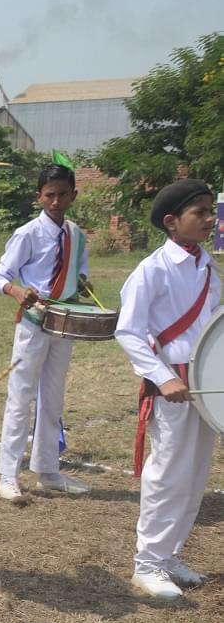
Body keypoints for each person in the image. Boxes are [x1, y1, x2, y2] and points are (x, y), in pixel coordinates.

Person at [115, 178, 219, 599]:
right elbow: (128, 331)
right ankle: (148, 564)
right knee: (168, 475)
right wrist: (163, 377)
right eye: (200, 213)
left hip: (206, 384)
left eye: (211, 211)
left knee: (195, 473)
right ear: (172, 221)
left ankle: (171, 555)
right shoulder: (152, 269)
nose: (210, 219)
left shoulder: (207, 266)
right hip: (171, 385)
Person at [0, 164, 94, 502]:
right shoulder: (27, 234)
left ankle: (48, 470)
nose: (56, 201)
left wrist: (82, 284)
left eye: (63, 194)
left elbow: (79, 271)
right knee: (20, 397)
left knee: (53, 397)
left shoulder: (76, 235)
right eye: (50, 195)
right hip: (34, 322)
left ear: (73, 195)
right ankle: (8, 475)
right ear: (39, 196)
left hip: (64, 322)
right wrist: (16, 291)